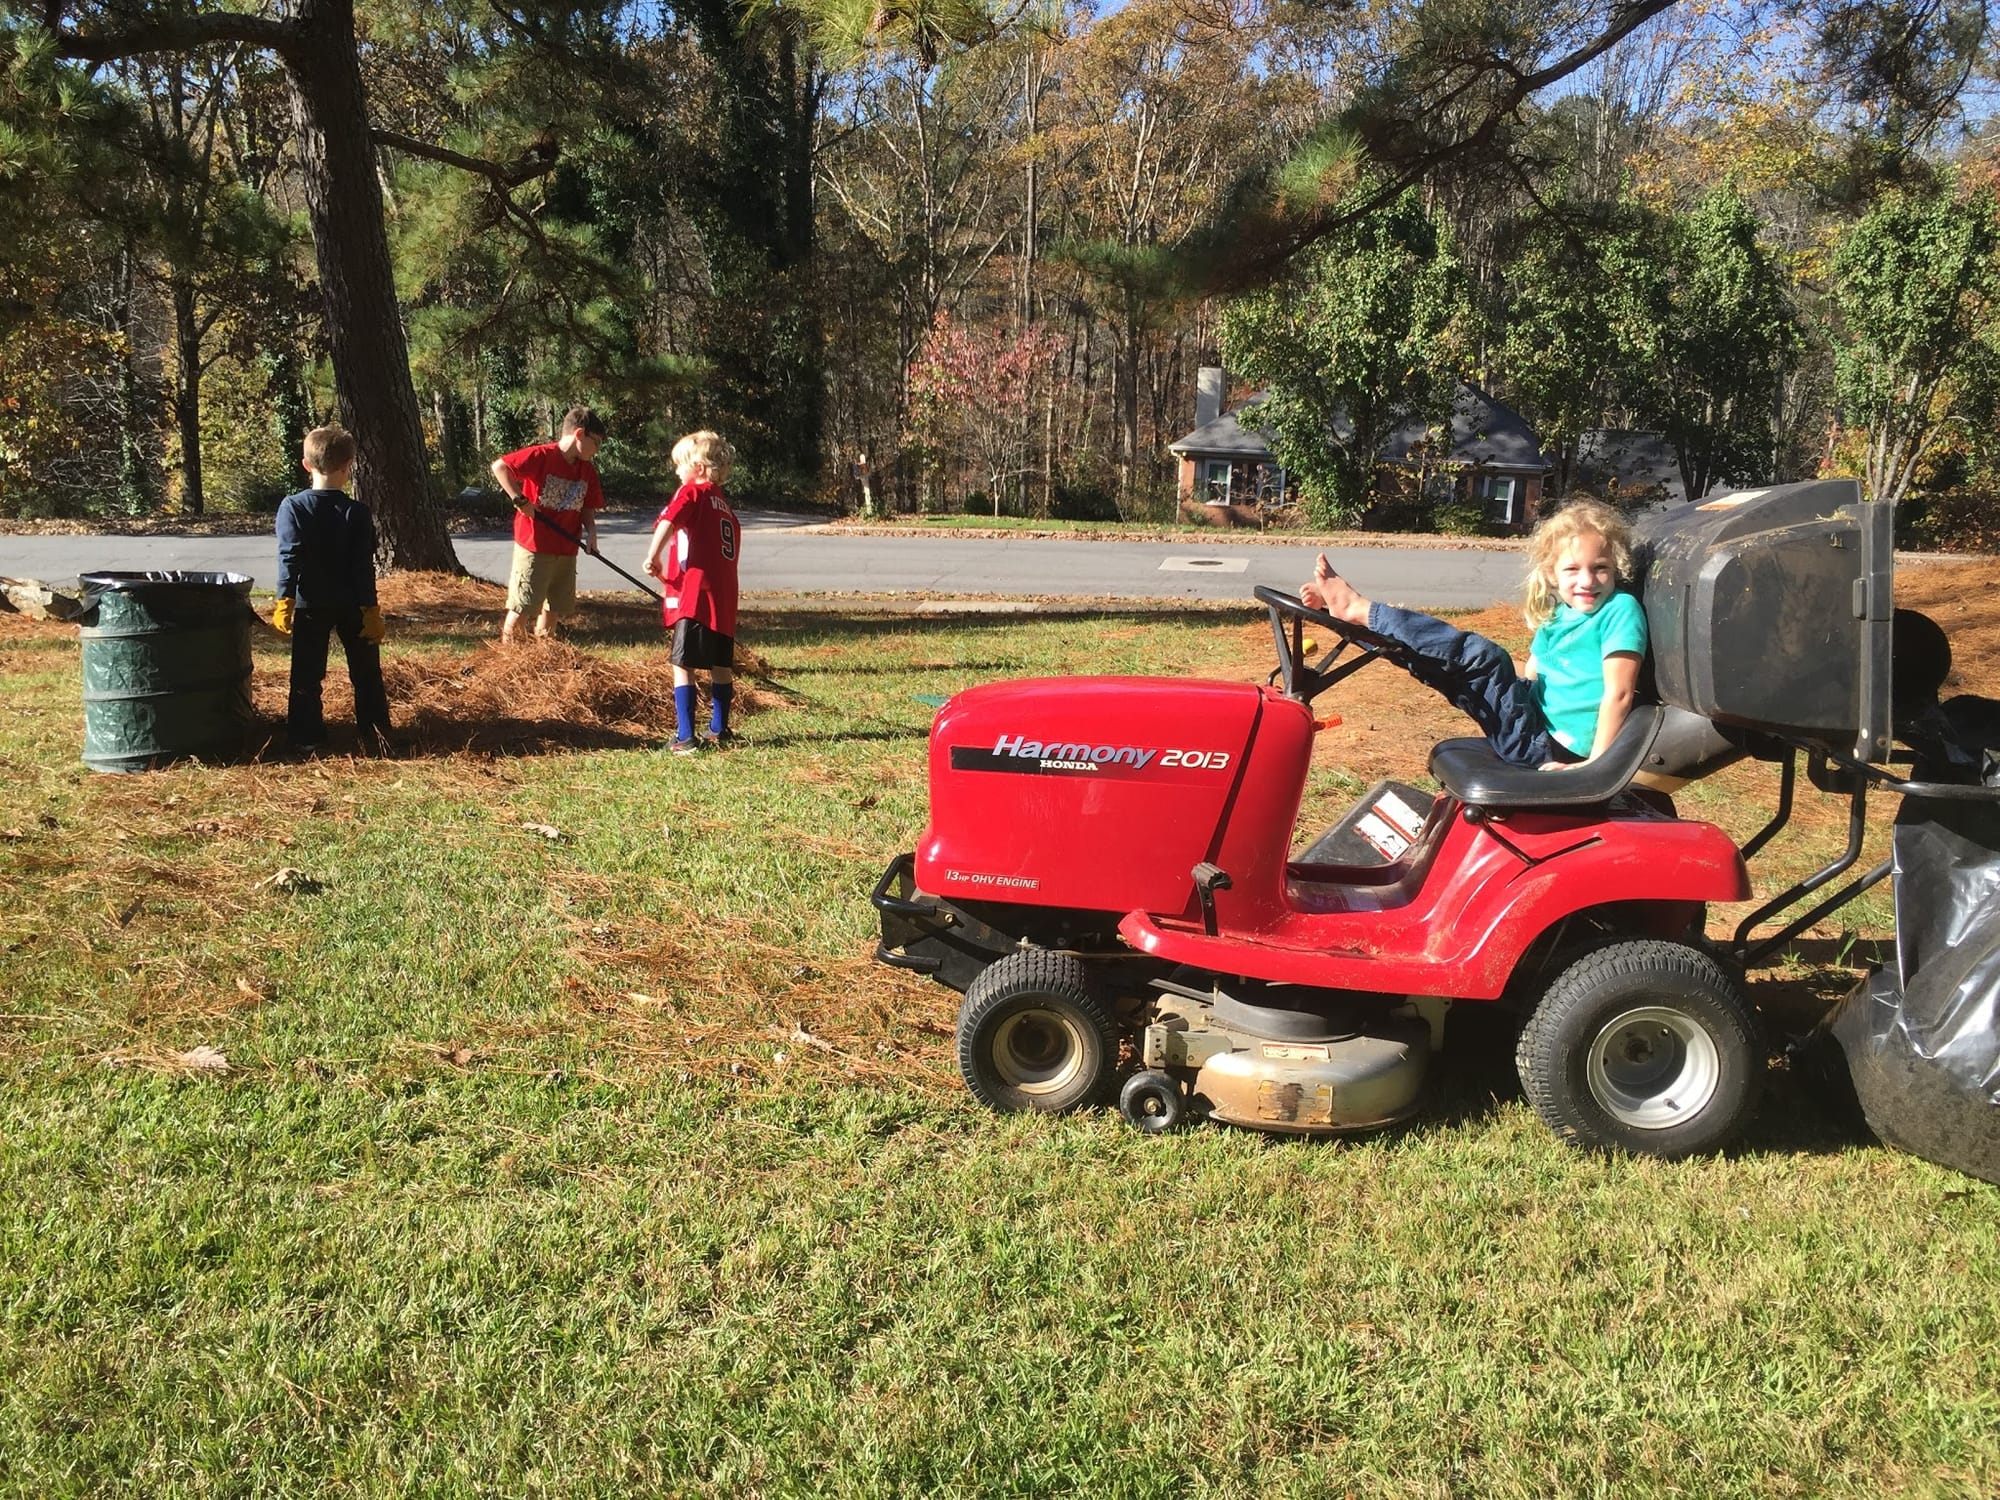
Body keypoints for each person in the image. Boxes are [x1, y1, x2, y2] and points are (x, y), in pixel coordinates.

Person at [1300, 498, 1646, 770]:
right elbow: (1531, 673)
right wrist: (1473, 659)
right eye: (1572, 569)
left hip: (1551, 748)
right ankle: (1349, 620)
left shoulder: (1619, 610)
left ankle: (1360, 610)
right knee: (1451, 663)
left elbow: (1619, 694)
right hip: (1532, 720)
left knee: (1482, 657)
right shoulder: (1559, 616)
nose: (1587, 580)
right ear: (1552, 574)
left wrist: (1595, 767)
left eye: (1600, 568)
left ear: (1616, 567)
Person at [272, 424, 397, 755]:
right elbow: (362, 566)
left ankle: (305, 736)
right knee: (366, 671)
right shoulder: (356, 512)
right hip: (352, 603)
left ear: (306, 465)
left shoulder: (293, 507)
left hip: (309, 602)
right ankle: (374, 732)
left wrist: (284, 598)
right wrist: (371, 609)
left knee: (306, 674)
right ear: (349, 466)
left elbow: (290, 556)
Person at [642, 430, 742, 755]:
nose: (676, 473)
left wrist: (653, 555)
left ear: (698, 467)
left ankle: (685, 736)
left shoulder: (691, 493)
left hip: (696, 595)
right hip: (724, 599)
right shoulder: (725, 508)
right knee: (720, 664)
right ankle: (719, 728)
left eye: (680, 465)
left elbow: (668, 521)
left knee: (681, 663)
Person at [490, 406, 607, 643]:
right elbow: (500, 467)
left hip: (566, 548)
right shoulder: (542, 456)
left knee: (552, 608)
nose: (597, 450)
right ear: (579, 435)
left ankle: (544, 657)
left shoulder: (587, 470)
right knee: (523, 606)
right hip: (535, 546)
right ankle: (510, 662)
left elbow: (587, 506)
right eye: (596, 443)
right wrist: (519, 499)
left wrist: (591, 532)